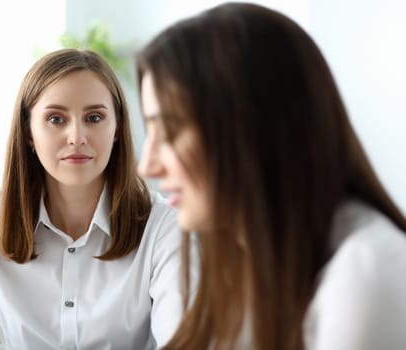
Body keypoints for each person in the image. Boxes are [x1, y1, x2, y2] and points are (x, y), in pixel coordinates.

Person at [136, 2, 406, 350]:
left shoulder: (365, 273)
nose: (148, 166)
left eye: (171, 130)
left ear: (250, 128)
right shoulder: (248, 261)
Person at [0, 49, 184, 350]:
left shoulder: (164, 228)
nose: (76, 136)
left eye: (94, 117)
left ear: (116, 129)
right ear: (29, 132)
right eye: (56, 119)